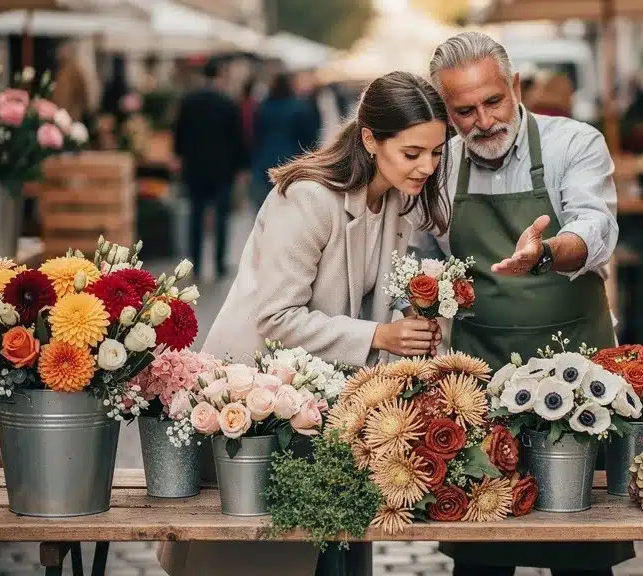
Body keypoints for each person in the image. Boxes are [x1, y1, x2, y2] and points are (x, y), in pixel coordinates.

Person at [157, 70, 449, 576]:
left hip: (328, 404)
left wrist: (410, 314)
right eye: (413, 152)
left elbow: (373, 287)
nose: (427, 166)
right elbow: (276, 315)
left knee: (336, 546)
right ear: (370, 140)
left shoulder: (396, 196)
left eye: (437, 153)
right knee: (258, 557)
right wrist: (380, 335)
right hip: (260, 397)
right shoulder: (309, 198)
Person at [413, 31, 628, 576]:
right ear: (446, 111)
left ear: (514, 86)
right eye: (465, 111)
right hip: (479, 377)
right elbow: (423, 253)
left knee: (579, 547)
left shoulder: (573, 143)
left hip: (577, 371)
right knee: (483, 548)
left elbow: (596, 226)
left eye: (493, 101)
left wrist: (547, 252)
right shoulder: (439, 165)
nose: (484, 121)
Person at [172, 59, 246, 281]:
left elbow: (179, 133)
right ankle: (219, 264)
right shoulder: (228, 102)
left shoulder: (189, 101)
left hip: (194, 167)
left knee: (195, 215)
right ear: (220, 75)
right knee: (222, 216)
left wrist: (178, 156)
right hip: (222, 168)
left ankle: (195, 263)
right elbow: (237, 138)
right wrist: (241, 166)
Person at [249, 72, 315, 212]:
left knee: (264, 205)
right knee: (287, 205)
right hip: (290, 160)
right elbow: (308, 138)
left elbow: (256, 135)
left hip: (264, 160)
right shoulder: (299, 107)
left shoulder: (263, 108)